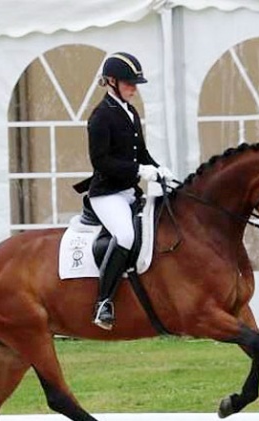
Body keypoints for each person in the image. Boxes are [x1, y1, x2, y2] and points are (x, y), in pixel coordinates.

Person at [73, 52, 174, 330]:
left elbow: (140, 152)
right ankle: (103, 302)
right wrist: (138, 172)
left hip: (129, 192)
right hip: (107, 194)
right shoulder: (100, 116)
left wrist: (159, 169)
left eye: (135, 83)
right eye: (129, 83)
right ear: (111, 82)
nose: (134, 88)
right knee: (126, 236)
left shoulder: (130, 112)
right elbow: (101, 161)